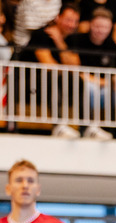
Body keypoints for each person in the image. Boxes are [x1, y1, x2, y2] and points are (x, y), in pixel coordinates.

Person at [22, 3, 80, 138]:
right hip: (28, 85)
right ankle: (58, 125)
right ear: (58, 17)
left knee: (78, 81)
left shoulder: (70, 39)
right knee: (52, 77)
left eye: (75, 21)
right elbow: (49, 65)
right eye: (68, 20)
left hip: (52, 87)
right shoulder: (41, 34)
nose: (71, 24)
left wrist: (60, 42)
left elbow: (76, 66)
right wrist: (67, 68)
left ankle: (87, 127)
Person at [61, 7, 116, 140]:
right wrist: (95, 80)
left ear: (111, 27)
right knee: (87, 86)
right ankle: (90, 128)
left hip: (105, 88)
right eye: (97, 26)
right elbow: (73, 69)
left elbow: (115, 75)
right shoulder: (76, 40)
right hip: (80, 85)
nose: (101, 30)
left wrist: (112, 81)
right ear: (90, 25)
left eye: (105, 27)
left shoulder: (112, 46)